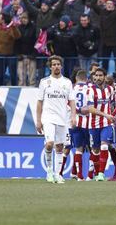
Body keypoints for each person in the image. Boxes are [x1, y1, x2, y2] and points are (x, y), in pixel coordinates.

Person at [36, 55, 76, 184]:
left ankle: (58, 174)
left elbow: (72, 101)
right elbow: (39, 102)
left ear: (61, 66)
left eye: (58, 64)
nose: (56, 66)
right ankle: (49, 170)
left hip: (62, 118)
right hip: (48, 117)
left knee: (60, 146)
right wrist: (38, 120)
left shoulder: (67, 82)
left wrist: (74, 117)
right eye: (53, 64)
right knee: (50, 143)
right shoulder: (44, 82)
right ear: (50, 67)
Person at [87, 68, 116, 181]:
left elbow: (113, 104)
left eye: (100, 75)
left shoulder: (110, 89)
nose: (97, 78)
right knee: (95, 150)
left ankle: (101, 174)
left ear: (104, 77)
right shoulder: (90, 91)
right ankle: (92, 173)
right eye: (96, 76)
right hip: (93, 124)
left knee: (104, 145)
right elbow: (90, 108)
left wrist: (112, 116)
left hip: (106, 123)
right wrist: (106, 114)